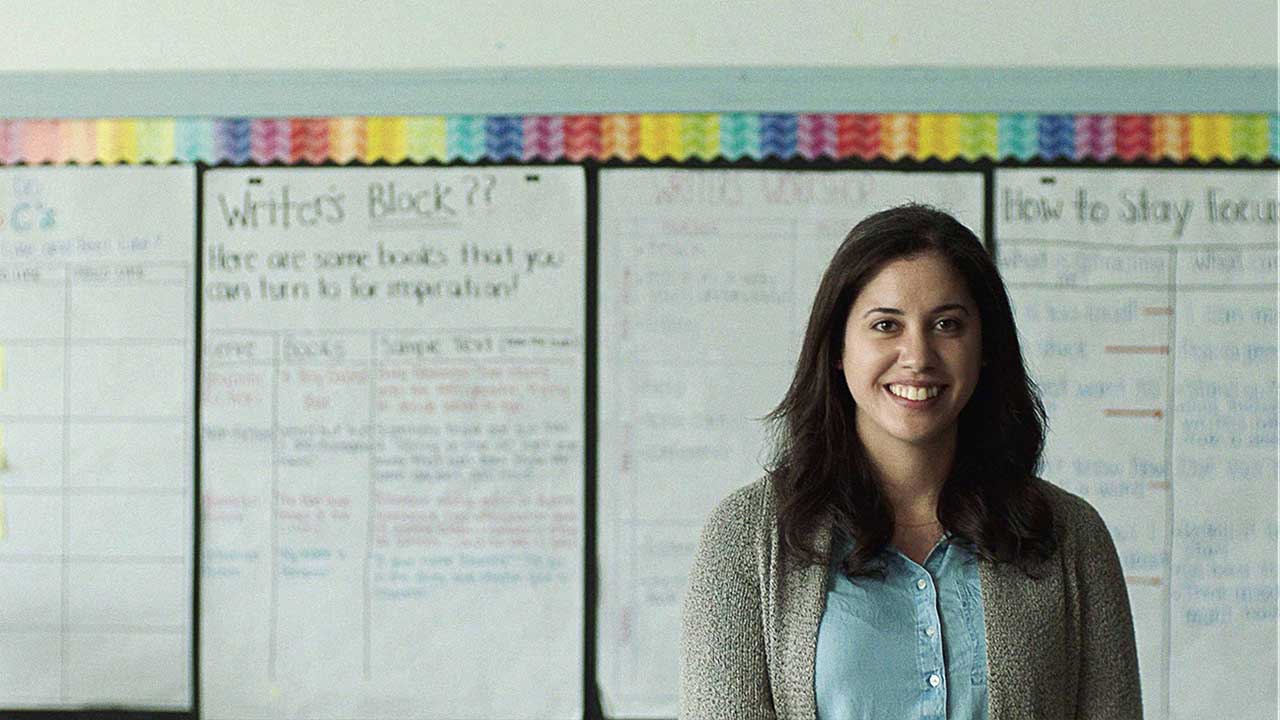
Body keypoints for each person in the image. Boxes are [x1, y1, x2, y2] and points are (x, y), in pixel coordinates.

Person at [679, 205, 1141, 719]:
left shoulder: (1071, 535)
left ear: (985, 347)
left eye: (946, 324)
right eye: (885, 325)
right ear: (839, 348)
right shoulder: (746, 537)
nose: (918, 356)